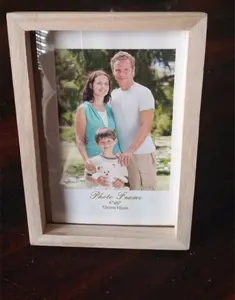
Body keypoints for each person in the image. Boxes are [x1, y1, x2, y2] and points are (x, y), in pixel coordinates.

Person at [110, 51, 157, 190]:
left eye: (126, 69)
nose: (122, 73)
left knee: (144, 200)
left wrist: (130, 151)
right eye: (118, 70)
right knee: (125, 202)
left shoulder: (143, 92)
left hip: (140, 154)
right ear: (113, 71)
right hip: (120, 156)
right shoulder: (113, 95)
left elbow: (146, 126)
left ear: (133, 71)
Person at [75, 70, 121, 188]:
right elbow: (79, 139)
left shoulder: (110, 109)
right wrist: (86, 161)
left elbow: (113, 135)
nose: (103, 87)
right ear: (91, 85)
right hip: (95, 163)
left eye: (106, 84)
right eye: (99, 83)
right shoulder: (84, 109)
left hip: (113, 163)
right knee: (95, 200)